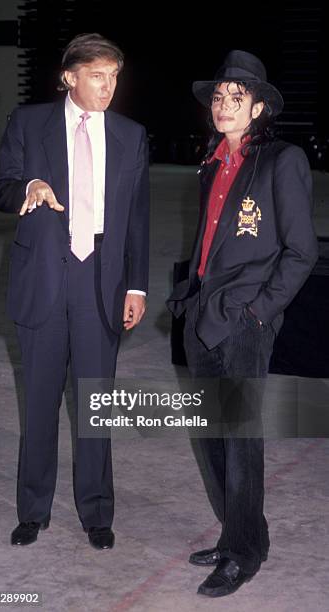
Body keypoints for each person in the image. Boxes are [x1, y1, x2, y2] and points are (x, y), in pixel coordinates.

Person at [0, 33, 149, 550]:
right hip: (43, 279)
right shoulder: (29, 123)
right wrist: (27, 189)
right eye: (98, 76)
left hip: (101, 279)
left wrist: (138, 286)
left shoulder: (131, 134)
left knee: (94, 404)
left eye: (115, 77)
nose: (109, 87)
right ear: (70, 77)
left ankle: (97, 512)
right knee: (38, 404)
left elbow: (140, 219)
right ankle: (32, 510)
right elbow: (0, 187)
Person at [167, 50, 318, 597]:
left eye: (236, 98)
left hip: (245, 321)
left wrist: (259, 312)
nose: (223, 105)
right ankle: (238, 532)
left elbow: (300, 252)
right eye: (218, 97)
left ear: (257, 108)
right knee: (211, 437)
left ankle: (244, 554)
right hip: (201, 316)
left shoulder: (282, 160)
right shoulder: (211, 163)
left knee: (240, 439)